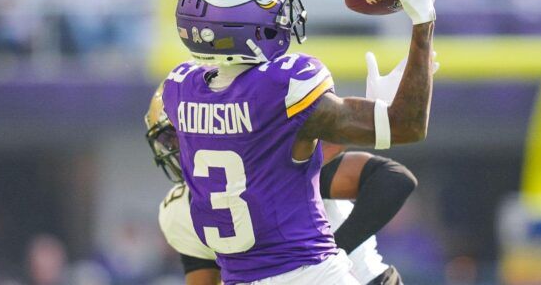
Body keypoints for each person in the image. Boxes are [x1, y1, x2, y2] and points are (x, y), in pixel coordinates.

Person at [158, 0, 442, 284]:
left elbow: (265, 151)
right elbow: (407, 126)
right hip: (313, 273)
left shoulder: (180, 90)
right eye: (271, 5)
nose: (282, 13)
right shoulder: (282, 85)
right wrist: (422, 22)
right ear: (242, 21)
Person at [145, 85, 424, 284]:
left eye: (175, 138)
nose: (172, 149)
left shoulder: (276, 166)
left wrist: (331, 257)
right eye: (167, 141)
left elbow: (392, 179)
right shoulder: (177, 210)